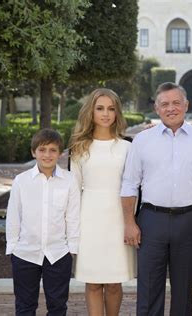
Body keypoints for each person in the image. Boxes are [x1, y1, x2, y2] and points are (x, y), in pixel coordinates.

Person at [121, 82, 192, 316]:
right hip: (150, 220)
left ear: (186, 105)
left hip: (189, 221)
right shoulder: (142, 140)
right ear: (157, 108)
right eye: (165, 104)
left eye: (176, 103)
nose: (171, 108)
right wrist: (129, 222)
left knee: (184, 292)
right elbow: (129, 184)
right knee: (148, 289)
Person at [69, 88, 136, 316]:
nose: (105, 114)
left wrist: (131, 222)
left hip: (119, 220)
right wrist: (73, 229)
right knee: (93, 281)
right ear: (91, 112)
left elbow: (134, 187)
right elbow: (73, 191)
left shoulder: (128, 148)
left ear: (117, 113)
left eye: (111, 109)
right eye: (100, 108)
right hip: (89, 220)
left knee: (115, 282)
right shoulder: (79, 148)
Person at [6, 128, 80, 315]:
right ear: (33, 152)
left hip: (58, 254)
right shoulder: (21, 181)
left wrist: (72, 248)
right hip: (25, 253)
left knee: (57, 306)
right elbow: (14, 215)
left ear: (60, 153)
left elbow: (72, 216)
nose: (47, 155)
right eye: (42, 149)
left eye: (53, 150)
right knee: (25, 306)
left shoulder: (70, 180)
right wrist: (13, 247)